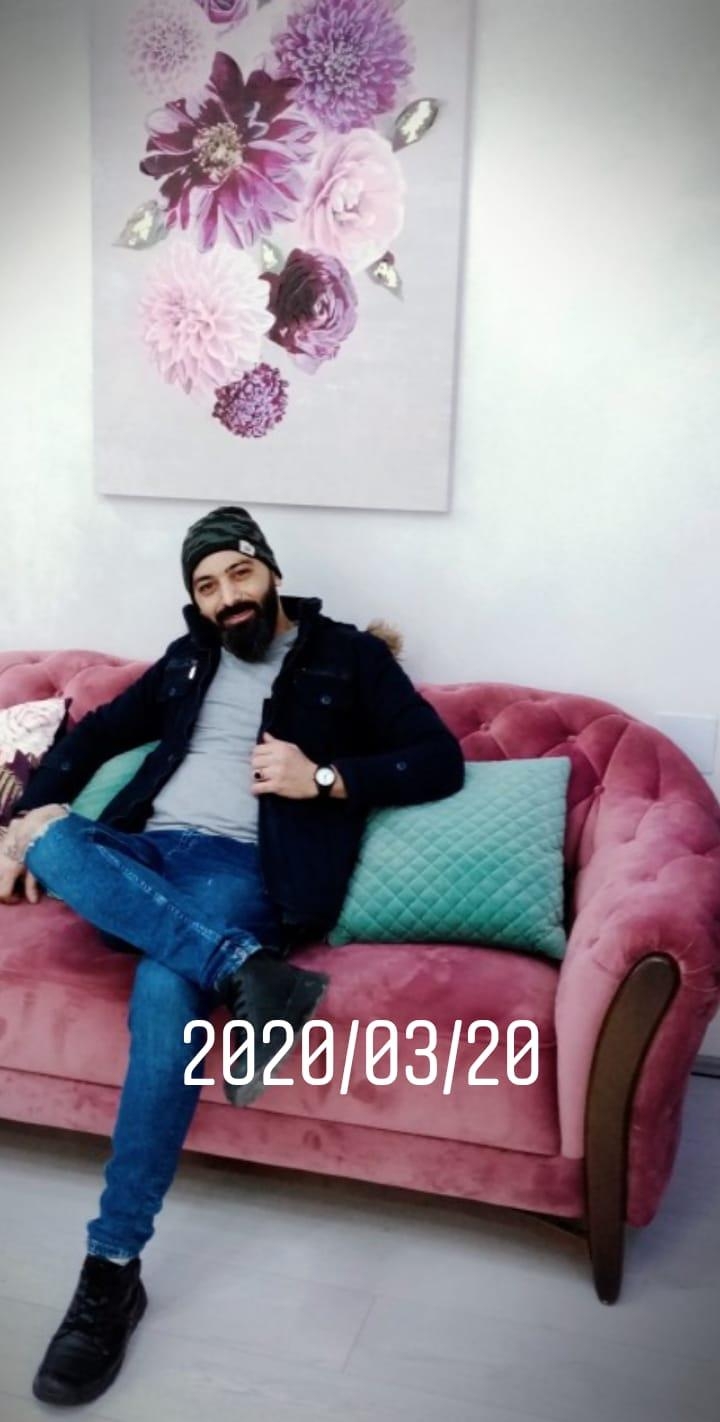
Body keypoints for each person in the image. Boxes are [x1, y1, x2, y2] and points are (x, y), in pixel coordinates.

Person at [0, 504, 465, 1407]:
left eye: (238, 575)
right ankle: (249, 973)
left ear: (271, 571)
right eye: (206, 587)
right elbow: (90, 737)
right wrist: (19, 826)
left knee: (164, 990)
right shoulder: (186, 661)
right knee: (51, 837)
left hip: (244, 869)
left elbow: (437, 759)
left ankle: (111, 1268)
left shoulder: (348, 658)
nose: (226, 598)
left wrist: (324, 778)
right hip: (148, 853)